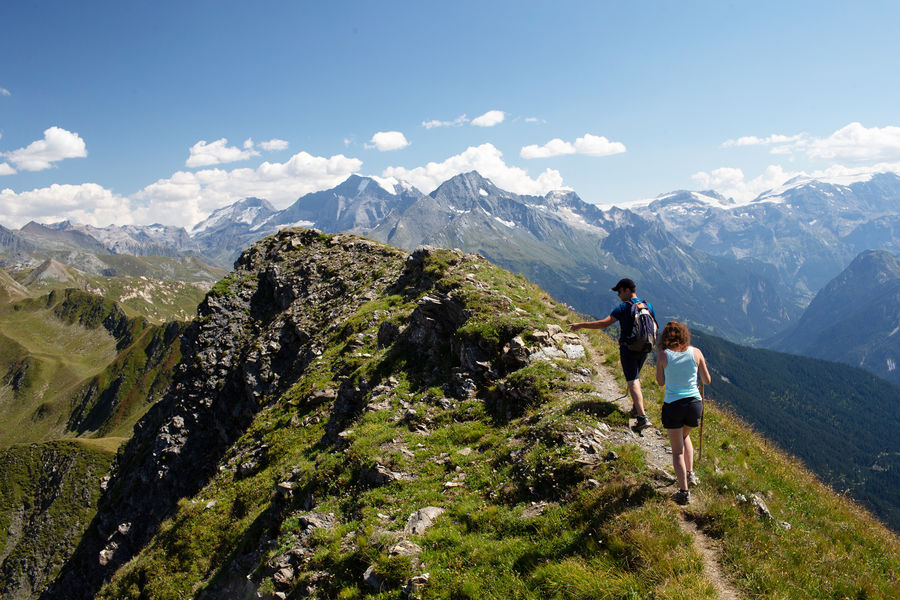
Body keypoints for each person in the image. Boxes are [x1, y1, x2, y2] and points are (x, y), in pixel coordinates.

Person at [571, 278, 656, 432]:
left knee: (633, 381)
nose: (618, 294)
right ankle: (636, 409)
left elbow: (604, 323)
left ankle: (642, 418)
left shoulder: (623, 307)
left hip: (628, 349)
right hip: (645, 347)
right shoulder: (647, 305)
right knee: (635, 377)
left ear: (627, 290)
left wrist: (580, 325)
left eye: (619, 291)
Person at [655, 320, 711, 505]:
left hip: (673, 405)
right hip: (695, 404)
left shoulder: (663, 356)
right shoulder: (696, 352)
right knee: (685, 435)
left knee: (677, 451)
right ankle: (690, 473)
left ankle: (684, 491)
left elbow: (660, 382)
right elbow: (707, 380)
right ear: (684, 335)